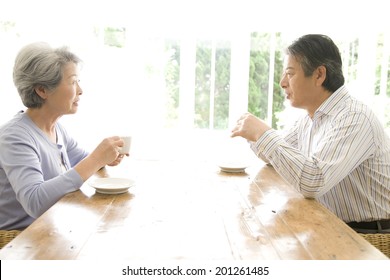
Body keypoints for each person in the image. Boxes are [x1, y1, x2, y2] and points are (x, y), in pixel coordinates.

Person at [231, 34, 390, 234]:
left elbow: (312, 182)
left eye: (290, 73)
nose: (282, 82)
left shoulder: (354, 117)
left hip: (367, 236)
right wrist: (253, 133)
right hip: (331, 225)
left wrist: (263, 133)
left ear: (319, 75)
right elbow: (272, 157)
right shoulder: (311, 119)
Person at [0, 42, 128, 230]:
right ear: (42, 90)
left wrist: (107, 157)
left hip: (50, 232)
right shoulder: (14, 138)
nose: (80, 90)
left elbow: (83, 160)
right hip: (19, 243)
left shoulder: (56, 129)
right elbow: (35, 202)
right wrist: (96, 159)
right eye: (73, 81)